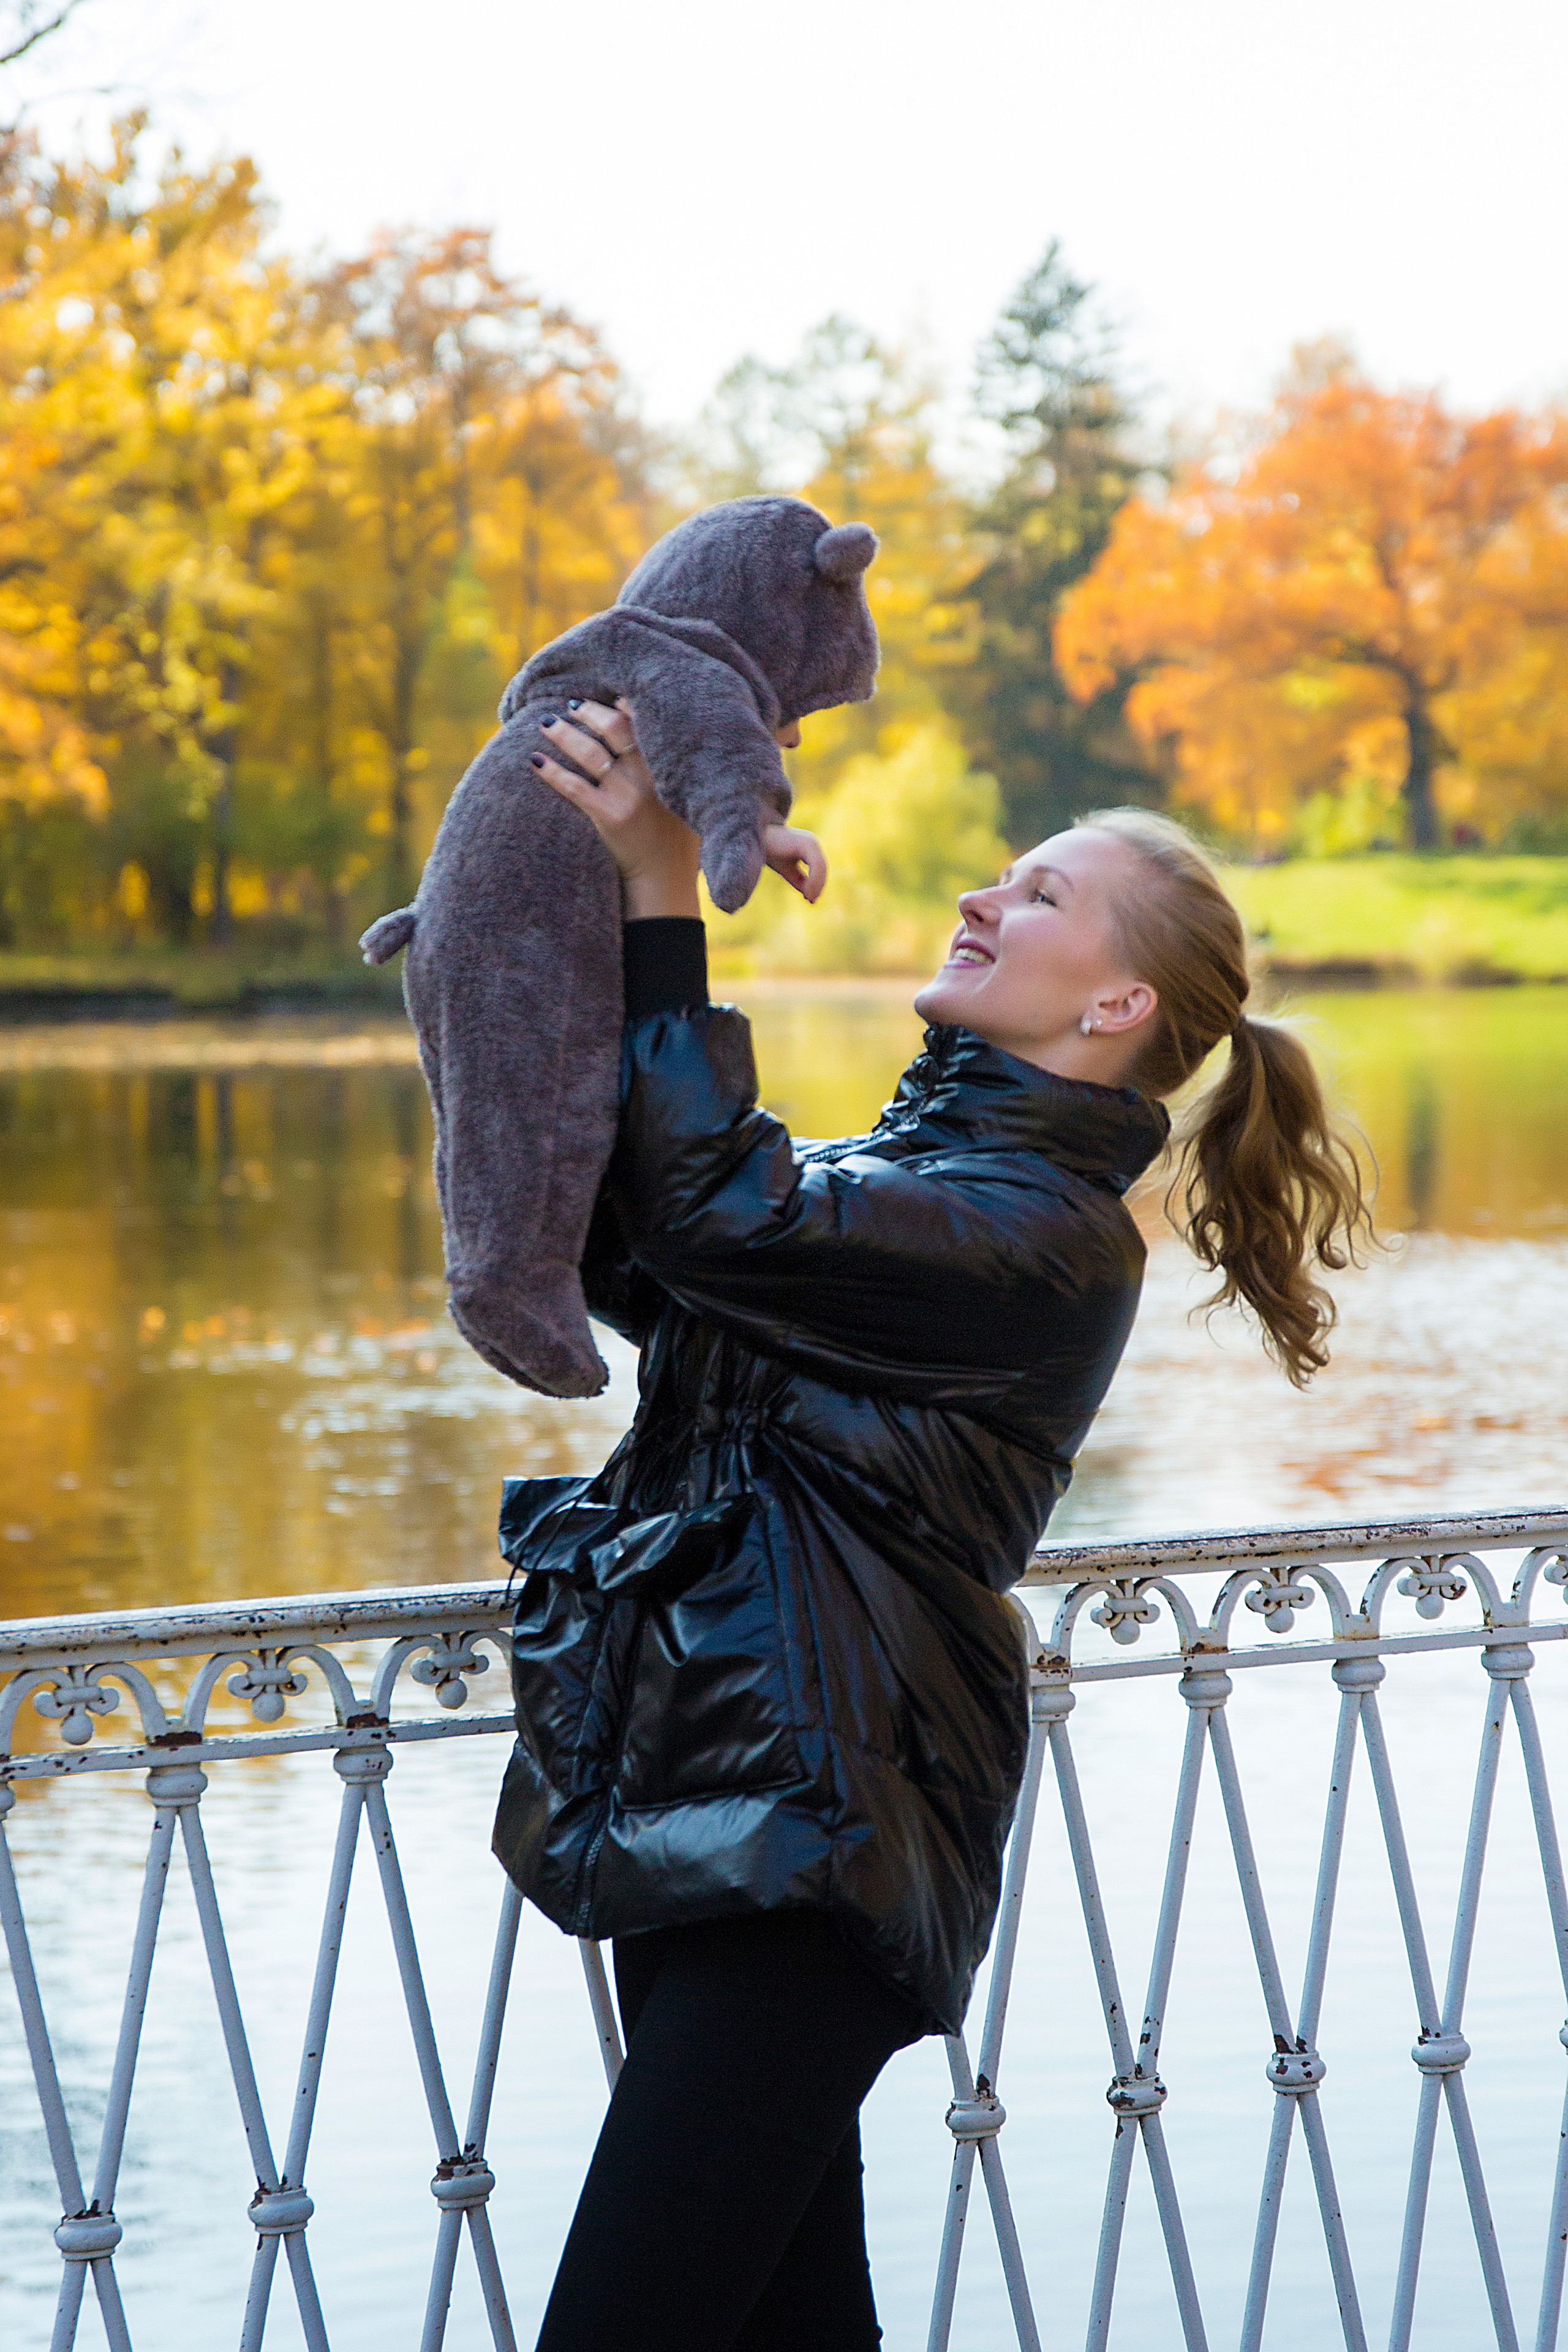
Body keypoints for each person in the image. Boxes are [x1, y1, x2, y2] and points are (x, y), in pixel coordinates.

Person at [492, 698, 1371, 2352]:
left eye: (1041, 894)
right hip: (709, 1796)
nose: (984, 896)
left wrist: (669, 895)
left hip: (819, 1832)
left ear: (1118, 1005)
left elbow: (718, 1215)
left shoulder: (1044, 1237)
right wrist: (562, 912)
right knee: (790, 2330)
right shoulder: (908, 1176)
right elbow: (646, 1250)